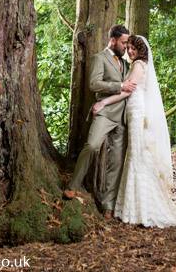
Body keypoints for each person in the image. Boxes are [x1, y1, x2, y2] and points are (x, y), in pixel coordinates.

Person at [93, 34, 176, 227]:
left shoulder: (138, 65)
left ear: (141, 50)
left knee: (136, 156)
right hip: (133, 111)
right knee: (135, 155)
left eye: (134, 48)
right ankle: (134, 206)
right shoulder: (138, 65)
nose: (130, 51)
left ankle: (141, 209)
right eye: (129, 47)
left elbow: (125, 91)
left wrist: (103, 101)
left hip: (136, 111)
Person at [63, 25, 137, 219]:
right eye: (123, 42)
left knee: (117, 161)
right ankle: (73, 185)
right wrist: (120, 85)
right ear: (112, 40)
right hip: (105, 113)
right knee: (92, 146)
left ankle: (108, 205)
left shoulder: (128, 64)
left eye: (127, 43)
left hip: (123, 117)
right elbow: (94, 84)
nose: (125, 46)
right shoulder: (99, 58)